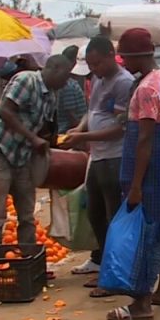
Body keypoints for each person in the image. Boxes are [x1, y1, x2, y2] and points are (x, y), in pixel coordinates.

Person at [106, 28, 160, 320]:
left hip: (147, 170)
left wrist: (136, 185)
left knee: (145, 234)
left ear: (140, 56)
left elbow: (145, 139)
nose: (124, 64)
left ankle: (141, 302)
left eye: (127, 58)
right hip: (159, 167)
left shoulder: (148, 88)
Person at [63, 37, 134, 295]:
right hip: (98, 157)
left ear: (110, 55)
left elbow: (120, 128)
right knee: (95, 213)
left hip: (115, 157)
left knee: (112, 215)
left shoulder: (123, 82)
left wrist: (84, 138)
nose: (93, 69)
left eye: (97, 63)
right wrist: (80, 128)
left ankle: (114, 273)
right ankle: (104, 264)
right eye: (90, 64)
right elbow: (92, 113)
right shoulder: (99, 80)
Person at [0, 55, 72, 250]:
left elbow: (44, 129)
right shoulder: (26, 80)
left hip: (23, 156)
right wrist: (33, 138)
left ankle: (28, 257)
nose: (66, 82)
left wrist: (56, 144)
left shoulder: (51, 96)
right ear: (55, 68)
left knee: (26, 213)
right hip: (2, 150)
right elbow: (6, 112)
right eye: (65, 76)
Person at [48, 46, 89, 245]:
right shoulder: (71, 86)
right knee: (72, 192)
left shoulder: (55, 87)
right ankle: (69, 233)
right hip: (71, 143)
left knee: (59, 192)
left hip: (60, 142)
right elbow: (76, 116)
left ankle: (62, 232)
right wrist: (83, 139)